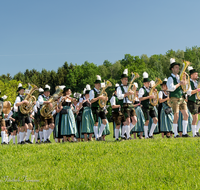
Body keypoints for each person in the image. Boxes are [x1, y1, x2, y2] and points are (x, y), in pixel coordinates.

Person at [167, 58, 189, 138]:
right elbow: (170, 88)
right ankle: (176, 134)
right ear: (172, 69)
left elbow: (183, 87)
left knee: (186, 115)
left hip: (181, 97)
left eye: (178, 67)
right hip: (174, 98)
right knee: (176, 116)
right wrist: (180, 83)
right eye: (176, 67)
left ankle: (184, 132)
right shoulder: (170, 78)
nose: (178, 68)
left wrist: (185, 82)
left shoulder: (178, 77)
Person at [116, 69, 137, 140]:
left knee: (135, 120)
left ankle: (125, 133)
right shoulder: (119, 88)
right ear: (121, 80)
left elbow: (133, 95)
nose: (126, 80)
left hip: (130, 104)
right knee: (127, 121)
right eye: (125, 79)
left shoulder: (129, 86)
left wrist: (133, 90)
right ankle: (128, 136)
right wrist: (127, 94)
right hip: (124, 104)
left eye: (127, 79)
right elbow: (119, 96)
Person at [138, 72, 158, 139]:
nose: (149, 83)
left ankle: (150, 134)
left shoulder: (150, 89)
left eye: (149, 82)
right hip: (145, 106)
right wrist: (149, 97)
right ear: (144, 83)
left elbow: (154, 97)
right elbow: (140, 98)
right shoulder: (141, 89)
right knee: (147, 121)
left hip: (151, 106)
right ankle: (146, 135)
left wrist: (155, 93)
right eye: (147, 82)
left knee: (155, 120)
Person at [89, 75, 108, 141]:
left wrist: (105, 99)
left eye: (100, 84)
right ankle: (97, 137)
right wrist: (99, 97)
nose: (99, 85)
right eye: (98, 84)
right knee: (96, 122)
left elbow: (102, 101)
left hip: (101, 107)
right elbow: (91, 100)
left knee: (105, 121)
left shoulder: (101, 91)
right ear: (95, 84)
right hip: (95, 107)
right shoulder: (92, 91)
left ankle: (99, 135)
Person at [186, 66, 200, 137]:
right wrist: (198, 90)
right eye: (195, 74)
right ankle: (194, 134)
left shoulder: (197, 82)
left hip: (198, 100)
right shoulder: (188, 82)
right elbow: (189, 92)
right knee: (195, 118)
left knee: (197, 118)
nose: (197, 75)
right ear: (191, 75)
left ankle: (196, 131)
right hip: (192, 101)